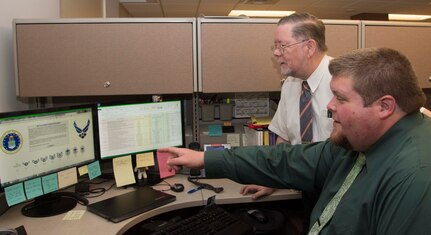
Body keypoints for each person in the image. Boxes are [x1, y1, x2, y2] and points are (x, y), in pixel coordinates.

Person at [160, 47, 431, 234]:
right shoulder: (360, 144)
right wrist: (205, 159)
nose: (329, 105)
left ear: (384, 107)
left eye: (341, 98)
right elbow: (287, 160)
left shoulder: (416, 178)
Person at [240, 12, 334, 233]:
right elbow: (283, 138)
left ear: (309, 47)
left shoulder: (344, 80)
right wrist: (273, 179)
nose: (276, 53)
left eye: (282, 46)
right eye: (274, 46)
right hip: (309, 189)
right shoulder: (291, 84)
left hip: (341, 188)